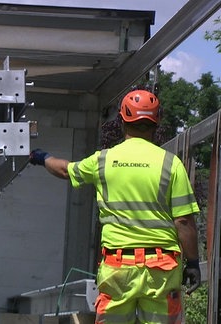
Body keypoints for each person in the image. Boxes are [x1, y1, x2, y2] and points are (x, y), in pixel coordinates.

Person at [29, 89, 201, 323]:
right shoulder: (171, 164)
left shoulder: (103, 160)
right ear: (156, 121)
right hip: (160, 269)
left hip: (118, 267)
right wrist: (192, 263)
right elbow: (183, 221)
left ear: (122, 120)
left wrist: (42, 157)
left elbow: (64, 169)